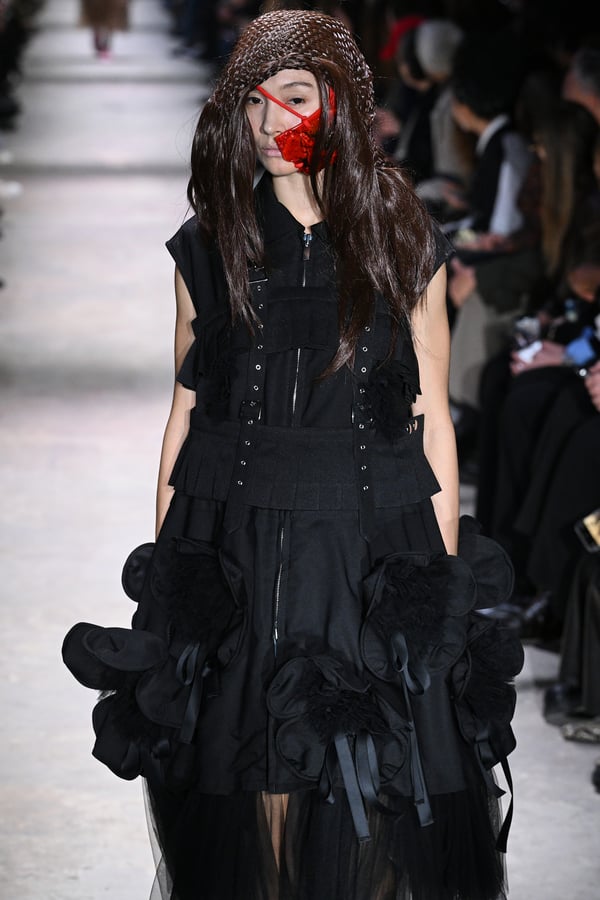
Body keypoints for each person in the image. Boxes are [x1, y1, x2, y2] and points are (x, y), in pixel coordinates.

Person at [62, 10, 523, 900]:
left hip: (370, 551)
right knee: (253, 783)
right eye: (254, 102)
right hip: (243, 548)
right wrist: (177, 585)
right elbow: (186, 412)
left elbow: (431, 417)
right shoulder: (212, 246)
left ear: (339, 103)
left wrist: (439, 594)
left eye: (296, 97)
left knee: (378, 797)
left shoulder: (402, 240)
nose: (273, 122)